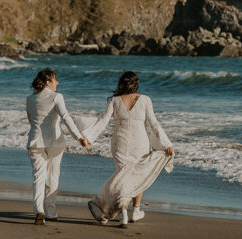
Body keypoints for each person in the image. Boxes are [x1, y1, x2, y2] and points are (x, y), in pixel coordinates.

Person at [85, 71, 174, 226]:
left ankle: (124, 214)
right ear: (136, 83)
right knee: (136, 176)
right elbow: (154, 124)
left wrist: (89, 138)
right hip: (140, 142)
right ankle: (136, 211)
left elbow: (103, 121)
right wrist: (166, 143)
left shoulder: (114, 100)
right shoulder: (145, 99)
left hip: (120, 142)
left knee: (124, 176)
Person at [26, 68, 90, 224]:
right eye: (55, 80)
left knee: (38, 177)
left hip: (35, 141)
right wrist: (79, 137)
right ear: (48, 82)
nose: (58, 83)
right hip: (55, 142)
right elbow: (66, 118)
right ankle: (50, 211)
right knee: (53, 176)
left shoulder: (30, 98)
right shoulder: (56, 97)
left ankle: (38, 210)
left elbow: (31, 119)